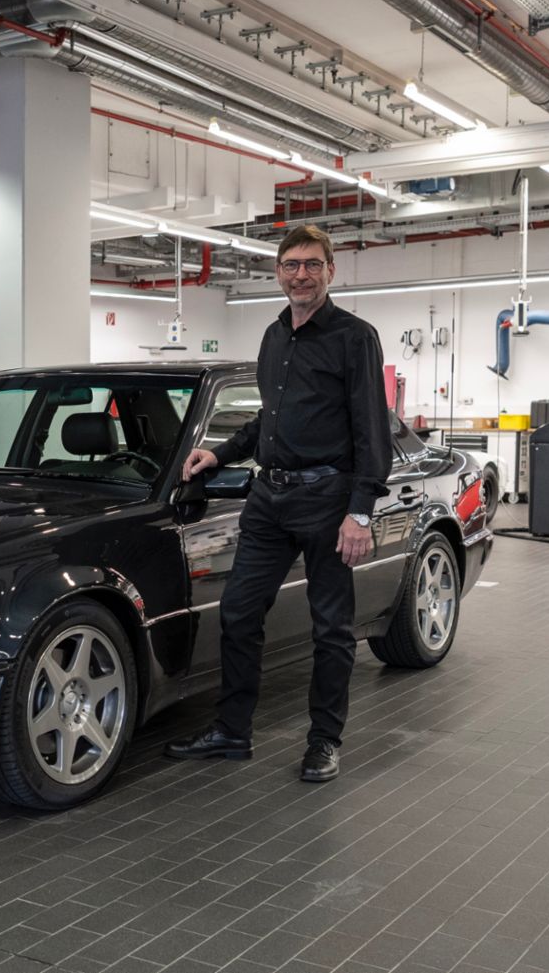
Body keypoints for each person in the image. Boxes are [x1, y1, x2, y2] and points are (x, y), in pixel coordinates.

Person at [166, 224, 392, 783]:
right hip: (269, 497)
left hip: (328, 499)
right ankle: (232, 731)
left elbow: (372, 430)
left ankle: (324, 741)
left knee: (331, 628)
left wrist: (359, 511)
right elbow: (268, 418)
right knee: (240, 614)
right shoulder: (274, 335)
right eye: (291, 264)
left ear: (330, 270)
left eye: (312, 264)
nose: (301, 274)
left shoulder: (354, 337)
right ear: (278, 272)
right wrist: (219, 455)